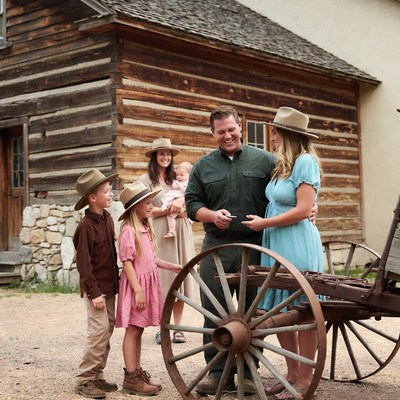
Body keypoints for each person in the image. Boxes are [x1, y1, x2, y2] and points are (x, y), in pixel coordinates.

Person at [185, 105, 276, 395]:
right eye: (220, 131)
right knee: (215, 313)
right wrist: (211, 216)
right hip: (216, 248)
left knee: (253, 313)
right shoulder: (203, 166)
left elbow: (290, 190)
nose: (227, 135)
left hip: (256, 246)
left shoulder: (266, 161)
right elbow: (191, 204)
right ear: (213, 134)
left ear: (241, 126)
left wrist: (310, 207)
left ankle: (249, 373)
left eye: (231, 129)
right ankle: (217, 373)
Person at [242, 107, 324, 400]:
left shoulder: (305, 162)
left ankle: (304, 379)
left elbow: (303, 209)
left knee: (302, 311)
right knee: (278, 309)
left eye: (275, 131)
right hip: (276, 242)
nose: (271, 136)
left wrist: (264, 223)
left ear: (286, 134)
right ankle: (291, 373)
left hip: (297, 243)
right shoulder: (283, 166)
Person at [116, 181, 181, 396]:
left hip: (145, 283)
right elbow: (127, 262)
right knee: (133, 329)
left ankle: (135, 373)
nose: (152, 206)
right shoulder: (128, 231)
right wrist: (138, 291)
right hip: (137, 285)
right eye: (147, 203)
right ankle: (130, 377)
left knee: (139, 329)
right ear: (135, 207)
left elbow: (151, 260)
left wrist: (172, 266)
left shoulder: (145, 228)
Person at [139, 138, 195, 345]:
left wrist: (182, 205)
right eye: (161, 153)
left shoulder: (178, 179)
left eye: (168, 154)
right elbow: (142, 208)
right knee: (163, 278)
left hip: (181, 229)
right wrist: (165, 210)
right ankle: (162, 326)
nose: (165, 157)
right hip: (160, 232)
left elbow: (192, 200)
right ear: (154, 156)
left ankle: (178, 327)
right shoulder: (146, 180)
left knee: (179, 275)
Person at [73, 168, 120, 399]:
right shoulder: (85, 227)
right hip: (97, 291)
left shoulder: (108, 219)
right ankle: (84, 379)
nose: (111, 194)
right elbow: (84, 264)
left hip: (109, 287)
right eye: (106, 190)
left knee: (107, 329)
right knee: (98, 331)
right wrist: (94, 293)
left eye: (110, 189)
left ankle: (98, 376)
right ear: (93, 197)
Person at [161, 161, 193, 238]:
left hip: (184, 203)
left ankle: (171, 230)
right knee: (170, 215)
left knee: (174, 214)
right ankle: (171, 230)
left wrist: (179, 184)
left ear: (190, 175)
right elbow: (174, 187)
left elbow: (185, 191)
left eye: (182, 175)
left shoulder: (189, 183)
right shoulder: (178, 181)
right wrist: (176, 183)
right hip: (175, 199)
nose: (179, 177)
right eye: (177, 175)